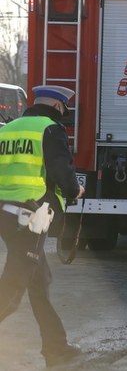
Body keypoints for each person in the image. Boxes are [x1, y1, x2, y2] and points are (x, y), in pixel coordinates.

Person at [0, 85, 85, 367]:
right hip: (31, 216)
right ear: (59, 107)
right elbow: (61, 170)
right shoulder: (50, 129)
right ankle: (56, 348)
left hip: (5, 212)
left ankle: (56, 348)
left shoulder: (8, 129)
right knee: (12, 291)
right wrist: (75, 191)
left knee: (39, 283)